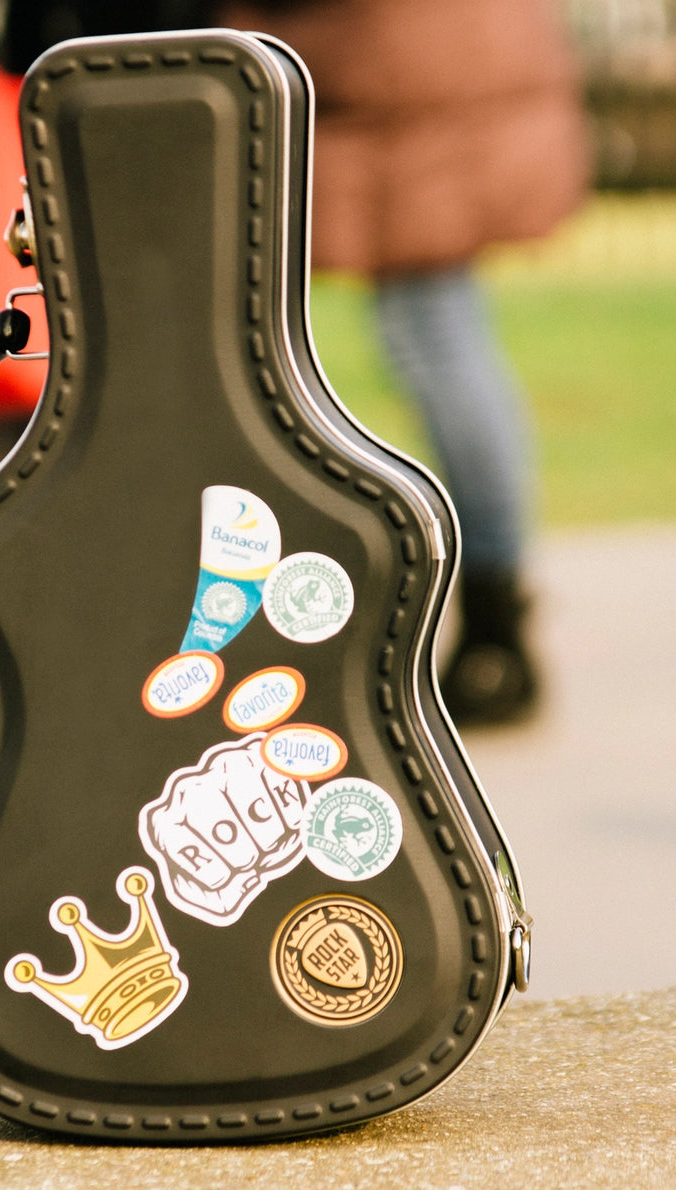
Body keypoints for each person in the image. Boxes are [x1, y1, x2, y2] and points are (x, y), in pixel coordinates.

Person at [220, 0, 591, 724]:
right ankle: (494, 615)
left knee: (433, 336)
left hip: (409, 75)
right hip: (439, 63)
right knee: (438, 331)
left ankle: (493, 629)